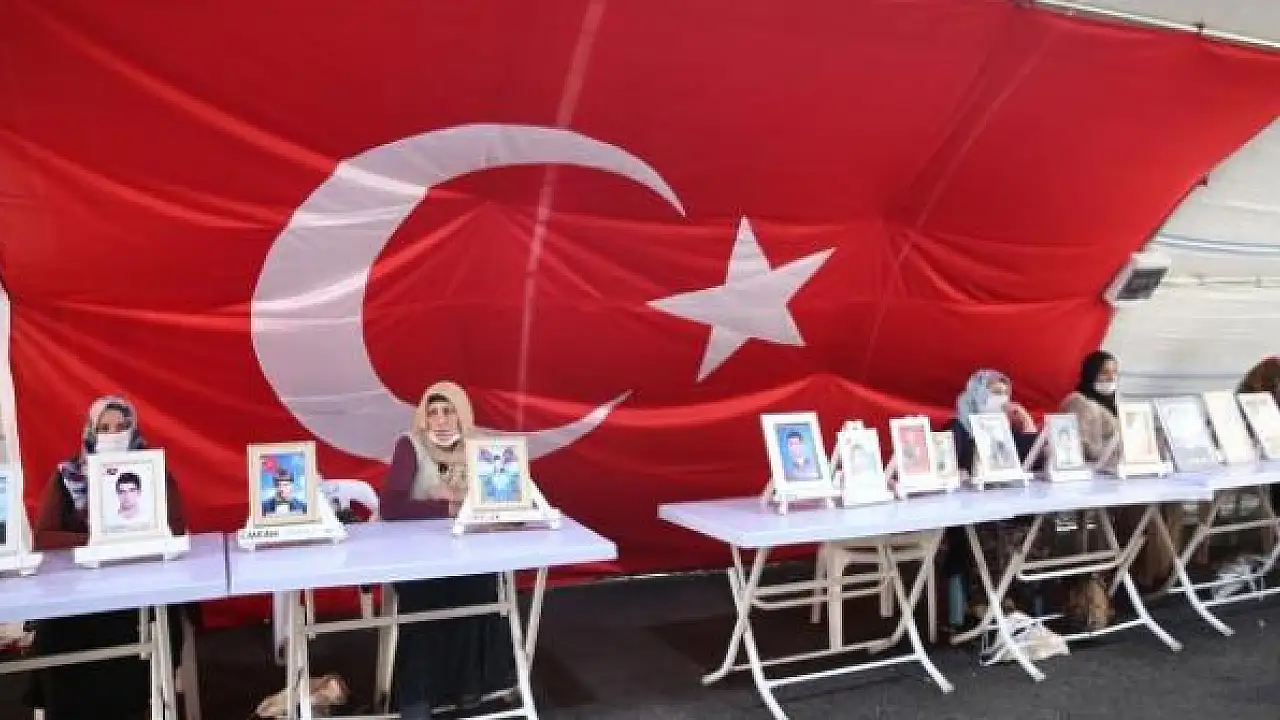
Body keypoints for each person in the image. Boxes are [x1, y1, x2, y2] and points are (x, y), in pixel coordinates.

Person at [26, 395, 188, 720]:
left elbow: (176, 526)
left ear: (134, 430)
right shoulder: (68, 475)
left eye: (121, 426)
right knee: (55, 633)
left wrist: (140, 535)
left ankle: (140, 704)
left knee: (159, 622)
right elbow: (44, 535)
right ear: (91, 432)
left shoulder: (153, 471)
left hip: (140, 588)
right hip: (80, 591)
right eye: (105, 427)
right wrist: (97, 541)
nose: (114, 434)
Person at [378, 382, 516, 719]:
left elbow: (500, 499)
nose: (440, 420)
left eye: (448, 411)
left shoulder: (480, 447)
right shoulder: (410, 445)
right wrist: (450, 507)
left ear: (462, 414)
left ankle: (469, 689)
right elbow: (391, 507)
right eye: (432, 412)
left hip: (466, 551)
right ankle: (416, 697)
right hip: (416, 556)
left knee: (480, 586)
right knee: (427, 596)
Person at [941, 369, 1043, 632]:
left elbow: (1031, 463)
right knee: (989, 532)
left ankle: (1014, 602)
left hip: (1006, 507)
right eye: (995, 393)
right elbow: (953, 468)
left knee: (1033, 527)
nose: (1002, 399)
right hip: (970, 512)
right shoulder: (957, 428)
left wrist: (1027, 423)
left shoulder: (1005, 429)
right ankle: (985, 603)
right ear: (977, 394)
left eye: (1005, 393)